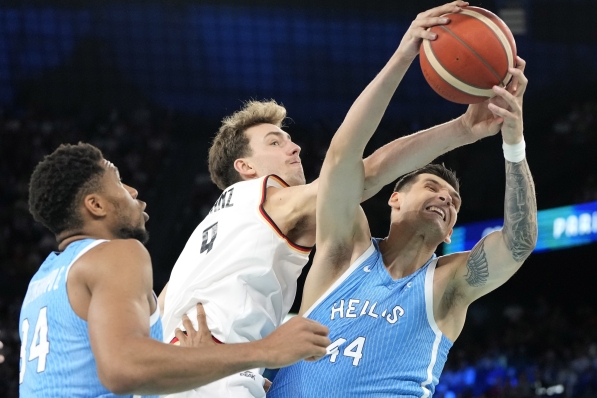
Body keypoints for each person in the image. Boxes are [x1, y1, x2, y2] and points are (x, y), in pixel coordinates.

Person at [159, 1, 509, 396]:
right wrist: (462, 127)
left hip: (177, 369)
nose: (294, 150)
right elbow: (364, 170)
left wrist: (183, 365)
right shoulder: (266, 197)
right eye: (275, 142)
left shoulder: (203, 237)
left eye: (291, 141)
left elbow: (153, 317)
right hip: (220, 376)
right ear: (245, 167)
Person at [267, 13, 536, 398]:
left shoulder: (449, 284)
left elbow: (519, 243)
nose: (445, 198)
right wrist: (404, 55)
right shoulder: (345, 249)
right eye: (431, 187)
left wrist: (513, 142)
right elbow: (342, 160)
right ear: (394, 198)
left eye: (454, 201)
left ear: (449, 230)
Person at [19, 143, 330, 397]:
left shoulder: (42, 282)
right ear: (95, 206)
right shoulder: (116, 253)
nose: (133, 191)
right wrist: (266, 350)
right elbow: (124, 370)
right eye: (118, 181)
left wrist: (203, 360)